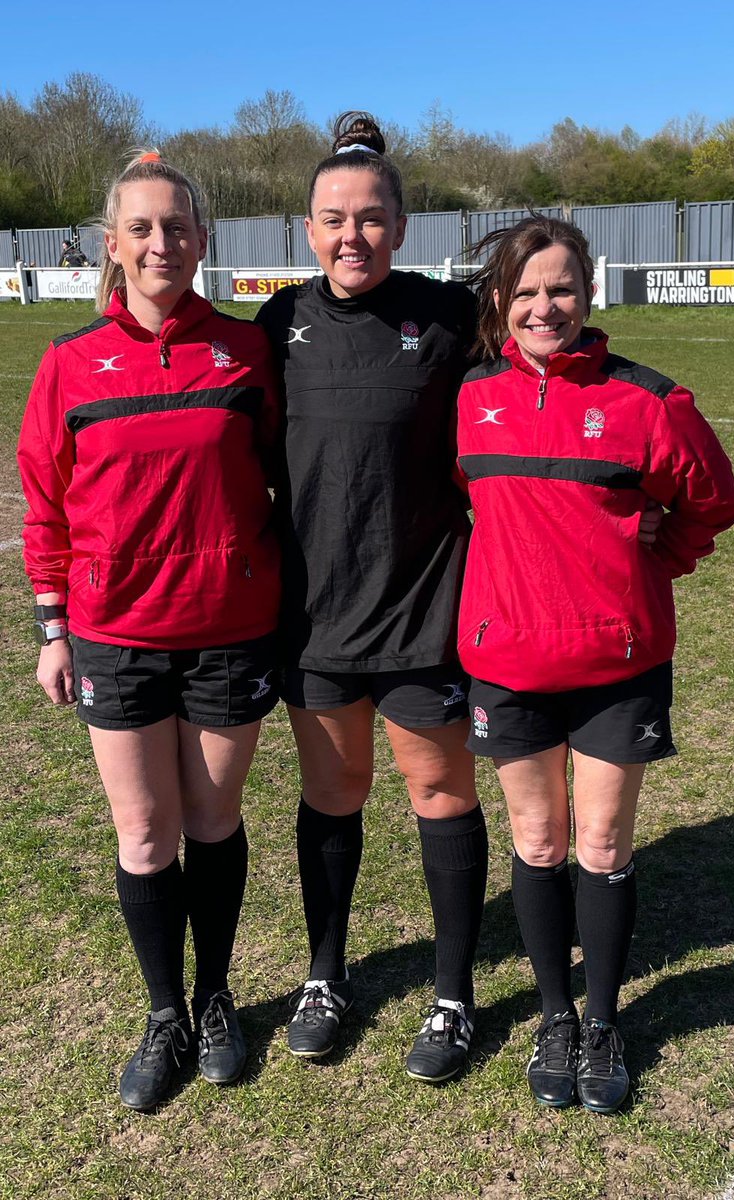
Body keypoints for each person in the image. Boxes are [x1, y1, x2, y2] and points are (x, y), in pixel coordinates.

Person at [456, 215, 734, 1113]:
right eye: (526, 291)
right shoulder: (463, 398)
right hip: (507, 661)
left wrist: (655, 555)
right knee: (537, 844)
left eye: (562, 289)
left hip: (616, 662)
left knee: (602, 844)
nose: (546, 307)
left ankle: (605, 1020)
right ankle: (553, 1017)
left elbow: (712, 503)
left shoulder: (648, 402)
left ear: (588, 292)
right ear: (499, 301)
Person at [17, 151, 281, 1111]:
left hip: (229, 628)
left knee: (211, 821)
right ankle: (165, 1011)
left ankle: (216, 998)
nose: (160, 243)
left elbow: (297, 481)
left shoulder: (248, 354)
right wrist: (54, 626)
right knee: (143, 832)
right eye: (141, 228)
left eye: (176, 227)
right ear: (113, 245)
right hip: (114, 636)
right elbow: (43, 508)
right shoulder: (67, 364)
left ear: (202, 240)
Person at [255, 112, 488, 1084]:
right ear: (306, 230)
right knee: (331, 794)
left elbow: (516, 413)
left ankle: (450, 996)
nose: (350, 235)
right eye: (331, 219)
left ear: (398, 222)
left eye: (369, 217)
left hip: (420, 610)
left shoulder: (443, 319)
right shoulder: (276, 326)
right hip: (313, 620)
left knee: (439, 793)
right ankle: (324, 976)